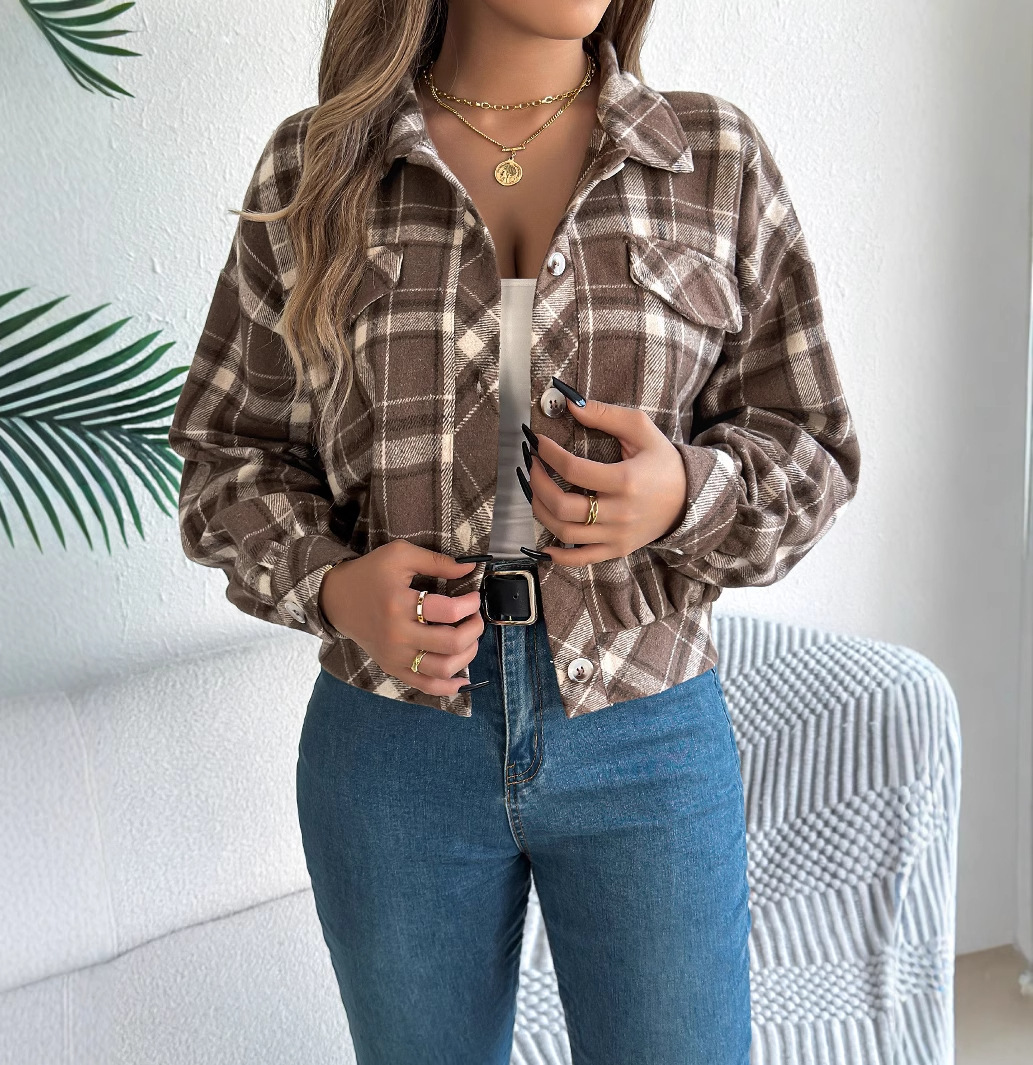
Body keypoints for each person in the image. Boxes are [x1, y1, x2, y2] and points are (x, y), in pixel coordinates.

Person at [168, 2, 861, 1062]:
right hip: (393, 745)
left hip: (645, 731)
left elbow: (811, 447)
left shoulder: (711, 158)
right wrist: (337, 587)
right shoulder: (319, 167)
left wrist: (684, 492)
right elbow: (228, 455)